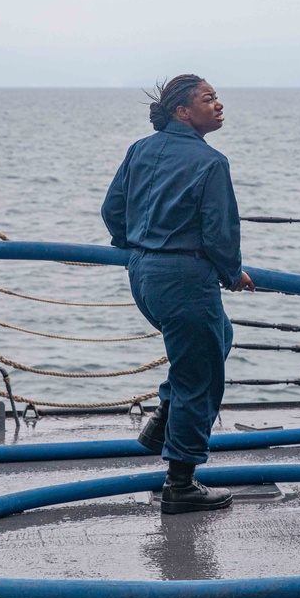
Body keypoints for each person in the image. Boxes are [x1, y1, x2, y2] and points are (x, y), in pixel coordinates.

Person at [101, 74, 254, 514]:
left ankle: (163, 421)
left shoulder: (140, 149)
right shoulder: (211, 162)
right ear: (183, 112)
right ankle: (181, 483)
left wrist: (134, 245)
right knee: (199, 376)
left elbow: (113, 210)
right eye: (209, 99)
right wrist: (231, 273)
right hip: (185, 279)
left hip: (143, 275)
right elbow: (220, 232)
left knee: (217, 339)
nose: (218, 104)